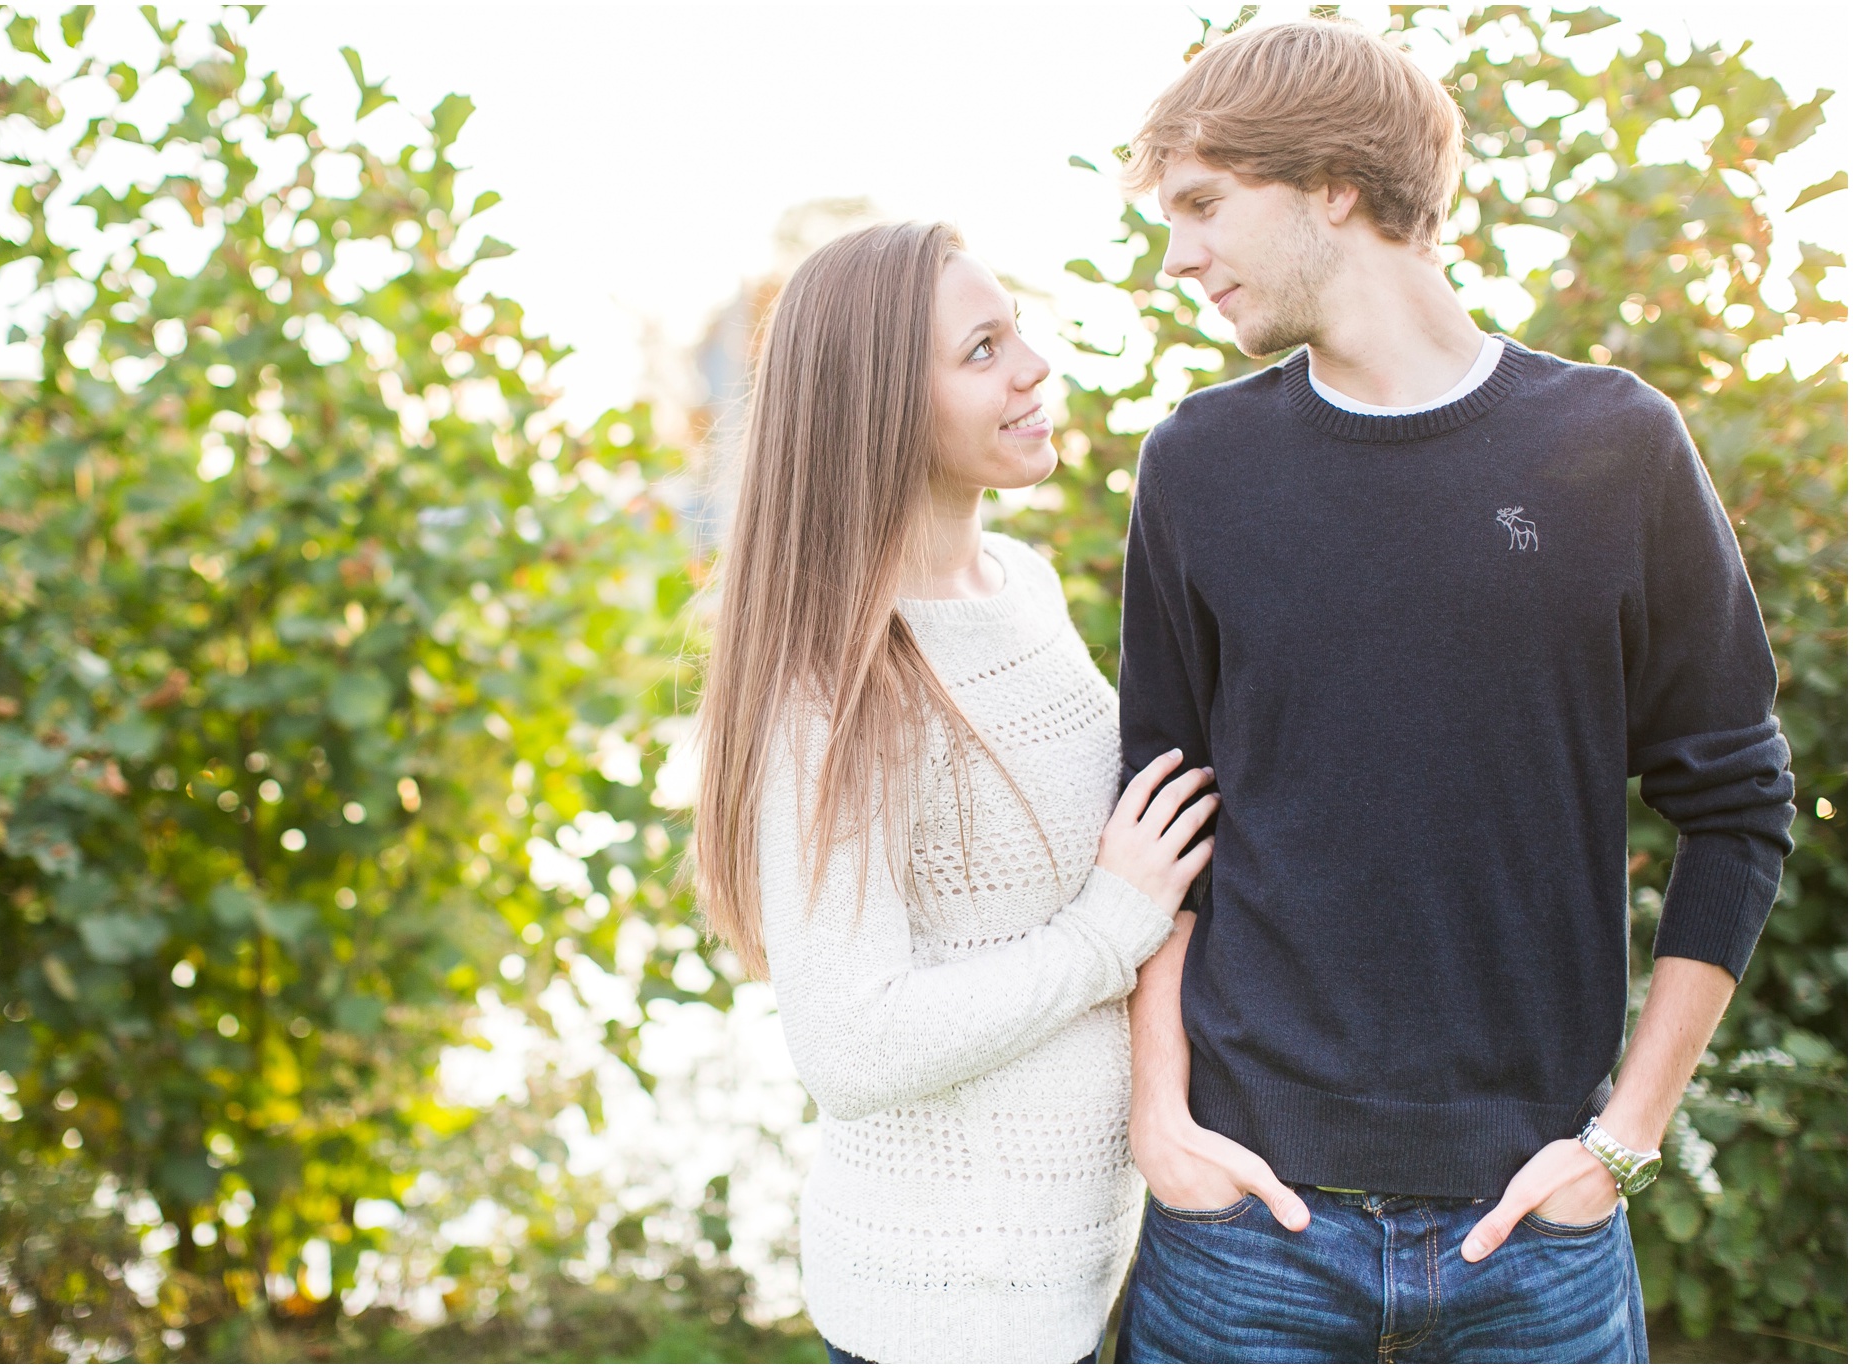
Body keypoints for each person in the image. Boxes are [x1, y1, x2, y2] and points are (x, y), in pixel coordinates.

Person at [1111, 19, 1796, 1363]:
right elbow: (1158, 825)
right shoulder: (1198, 464)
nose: (1178, 255)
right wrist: (1160, 1126)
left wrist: (1628, 1140)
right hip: (1246, 1232)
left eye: (1201, 206)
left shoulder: (1615, 447)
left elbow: (1741, 805)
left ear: (1336, 186)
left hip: (1532, 1241)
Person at [690, 222, 1216, 1364]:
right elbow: (852, 1041)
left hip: (1082, 1276)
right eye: (981, 349)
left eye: (1014, 330)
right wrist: (1107, 927)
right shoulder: (830, 679)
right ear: (876, 405)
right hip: (947, 1313)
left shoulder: (1018, 584)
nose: (1031, 366)